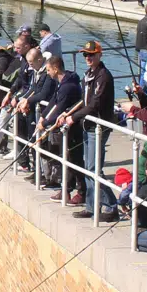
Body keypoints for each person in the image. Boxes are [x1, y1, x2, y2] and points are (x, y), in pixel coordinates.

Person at [66, 40, 118, 221]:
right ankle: (91, 206)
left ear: (99, 55)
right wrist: (68, 113)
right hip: (87, 125)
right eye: (85, 55)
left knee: (93, 168)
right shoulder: (87, 75)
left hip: (99, 126)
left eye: (91, 54)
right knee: (89, 167)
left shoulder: (104, 76)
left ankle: (111, 207)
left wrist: (74, 117)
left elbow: (95, 104)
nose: (88, 57)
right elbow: (84, 100)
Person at [35, 54, 83, 197]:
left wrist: (45, 123)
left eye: (49, 69)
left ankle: (79, 190)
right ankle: (69, 189)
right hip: (65, 126)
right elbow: (53, 101)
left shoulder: (68, 86)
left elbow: (60, 107)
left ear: (55, 69)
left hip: (73, 128)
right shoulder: (62, 82)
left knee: (74, 159)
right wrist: (43, 116)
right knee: (68, 158)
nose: (48, 72)